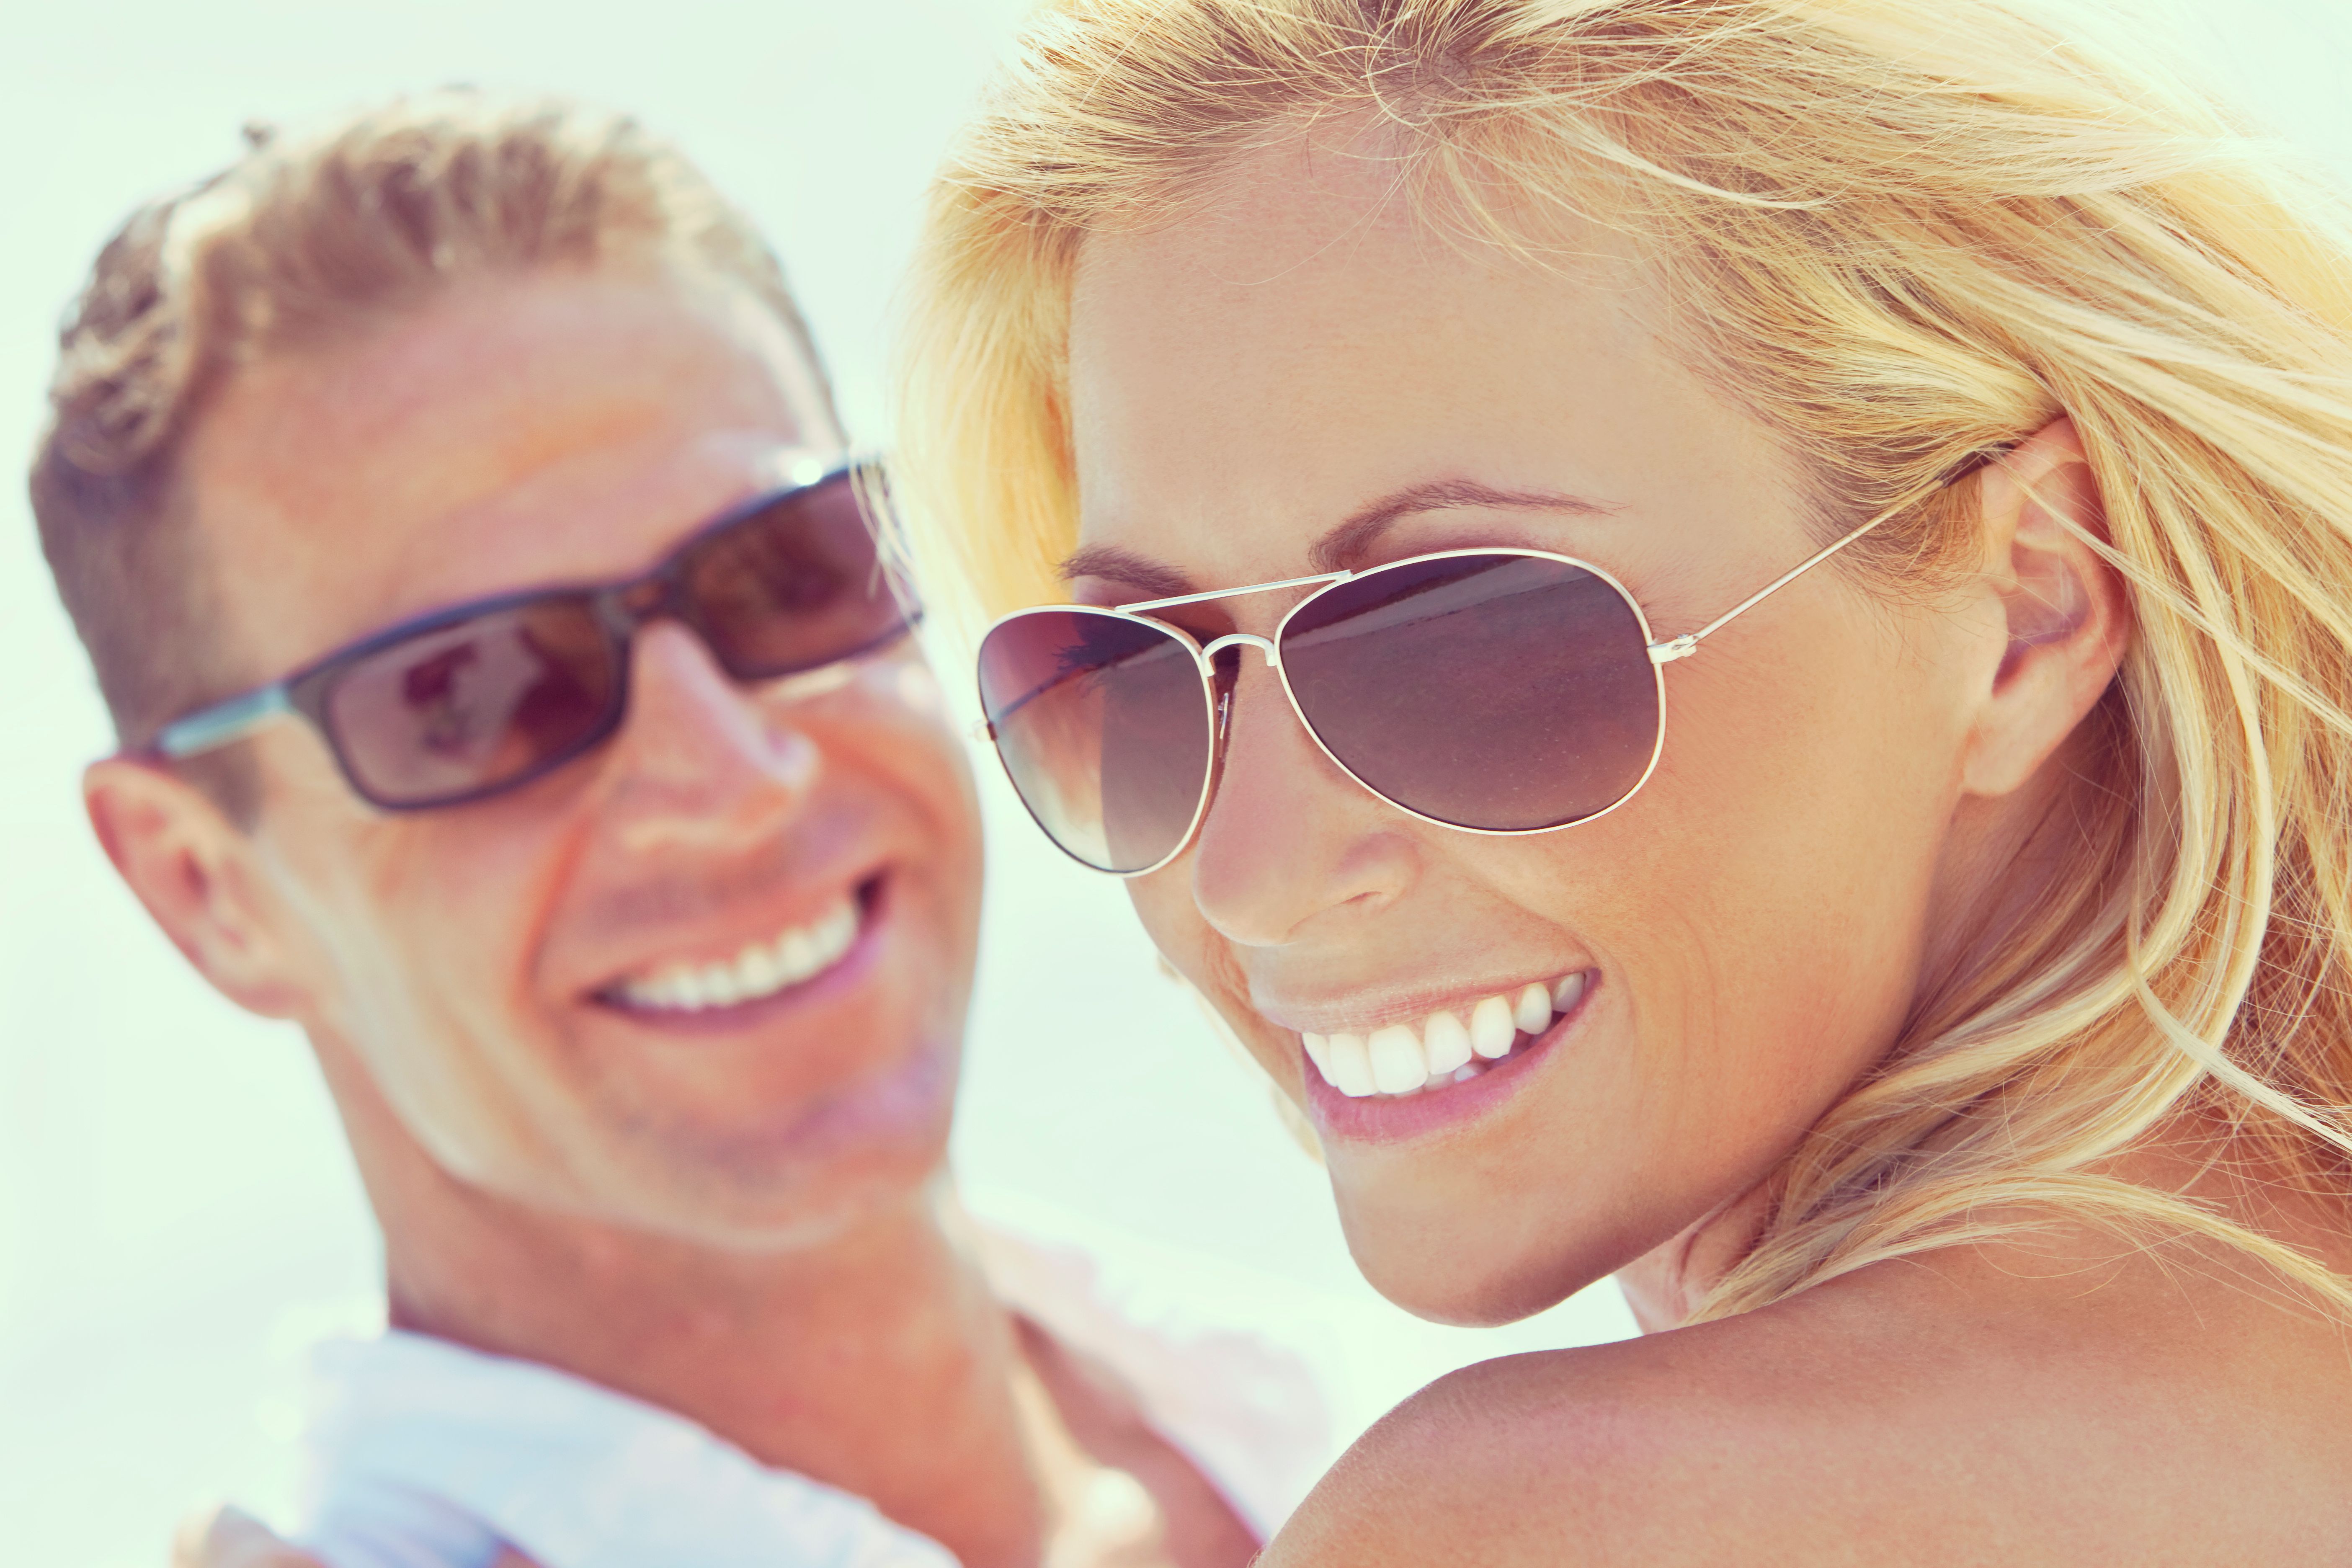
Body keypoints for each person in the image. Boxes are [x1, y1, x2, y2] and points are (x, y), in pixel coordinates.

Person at [896, 0, 2352, 1558]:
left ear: (2032, 606)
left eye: (1456, 642)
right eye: (1131, 675)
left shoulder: (1559, 1519)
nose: (1247, 873)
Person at [31, 93, 1327, 1568]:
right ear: (205, 886)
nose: (733, 773)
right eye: (473, 691)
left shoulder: (1376, 1401)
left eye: (788, 573)